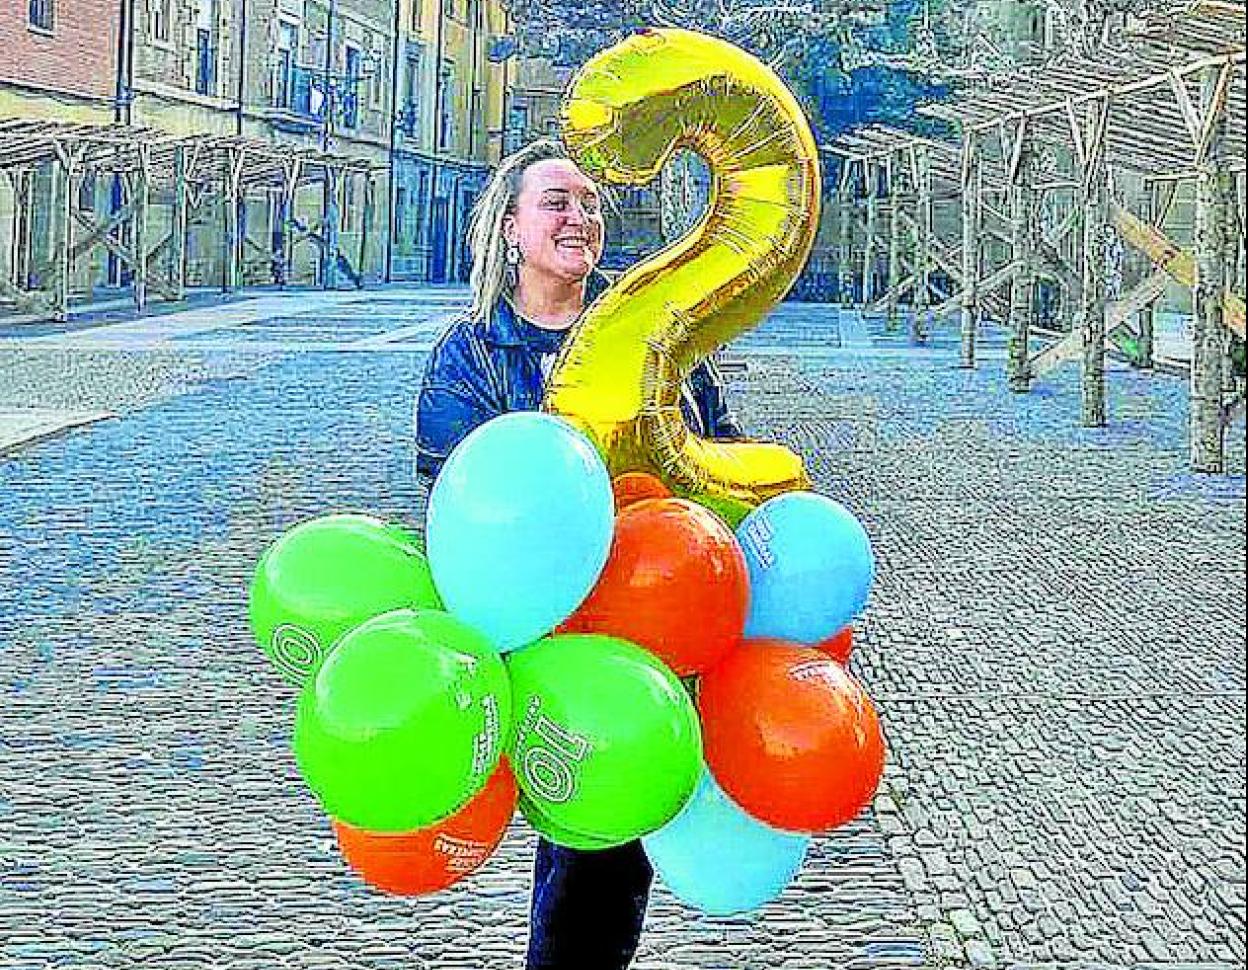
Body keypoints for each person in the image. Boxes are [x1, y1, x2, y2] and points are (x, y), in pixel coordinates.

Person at [415, 139, 741, 970]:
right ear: (512, 226)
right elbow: (455, 491)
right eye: (556, 202)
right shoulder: (471, 353)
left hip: (642, 628)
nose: (580, 217)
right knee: (588, 840)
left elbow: (719, 455)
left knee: (603, 843)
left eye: (590, 204)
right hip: (528, 637)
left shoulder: (651, 340)